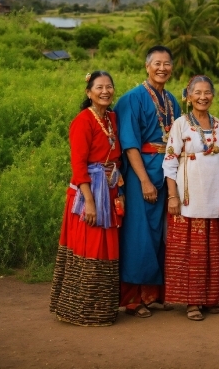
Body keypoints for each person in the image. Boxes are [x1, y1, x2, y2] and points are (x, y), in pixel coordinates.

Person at [50, 71, 124, 326]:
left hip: (110, 188)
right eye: (99, 87)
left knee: (107, 248)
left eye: (109, 87)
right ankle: (77, 310)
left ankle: (101, 309)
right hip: (88, 192)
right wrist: (90, 201)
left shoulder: (112, 118)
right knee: (88, 246)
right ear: (88, 92)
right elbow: (79, 164)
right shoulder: (83, 121)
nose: (105, 91)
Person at [163, 75, 219, 321]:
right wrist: (172, 196)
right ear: (188, 95)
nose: (203, 97)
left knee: (212, 249)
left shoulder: (218, 123)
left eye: (207, 92)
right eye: (197, 92)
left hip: (213, 195)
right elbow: (170, 161)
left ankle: (209, 297)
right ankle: (192, 301)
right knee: (191, 251)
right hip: (189, 196)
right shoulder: (181, 124)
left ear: (213, 95)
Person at [114, 46, 181, 318]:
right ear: (147, 66)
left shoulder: (172, 99)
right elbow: (130, 145)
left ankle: (155, 294)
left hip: (166, 173)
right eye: (157, 63)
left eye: (167, 63)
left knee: (161, 235)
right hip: (142, 172)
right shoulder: (132, 99)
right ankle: (133, 299)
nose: (162, 68)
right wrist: (143, 180)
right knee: (139, 235)